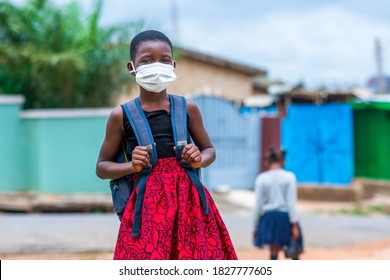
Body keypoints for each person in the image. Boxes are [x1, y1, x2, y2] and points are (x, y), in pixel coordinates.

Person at [96, 30, 237, 260]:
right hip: (146, 210)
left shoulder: (187, 108)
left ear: (173, 65)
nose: (156, 65)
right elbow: (102, 167)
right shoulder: (120, 115)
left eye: (164, 60)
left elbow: (209, 150)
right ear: (132, 67)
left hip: (190, 205)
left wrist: (199, 157)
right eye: (147, 60)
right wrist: (131, 166)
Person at [253, 148, 302, 260]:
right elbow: (291, 203)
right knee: (294, 251)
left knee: (273, 250)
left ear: (268, 162)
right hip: (285, 217)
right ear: (282, 161)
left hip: (268, 218)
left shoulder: (261, 178)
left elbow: (257, 206)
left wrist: (254, 228)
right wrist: (294, 224)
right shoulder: (290, 177)